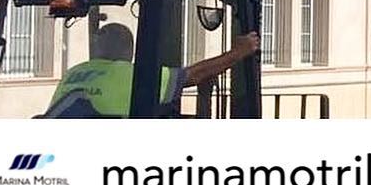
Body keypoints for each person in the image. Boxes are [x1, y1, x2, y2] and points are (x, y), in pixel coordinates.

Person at [43, 20, 260, 117]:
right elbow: (193, 76)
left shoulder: (75, 72)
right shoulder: (131, 74)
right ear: (130, 50)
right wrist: (239, 53)